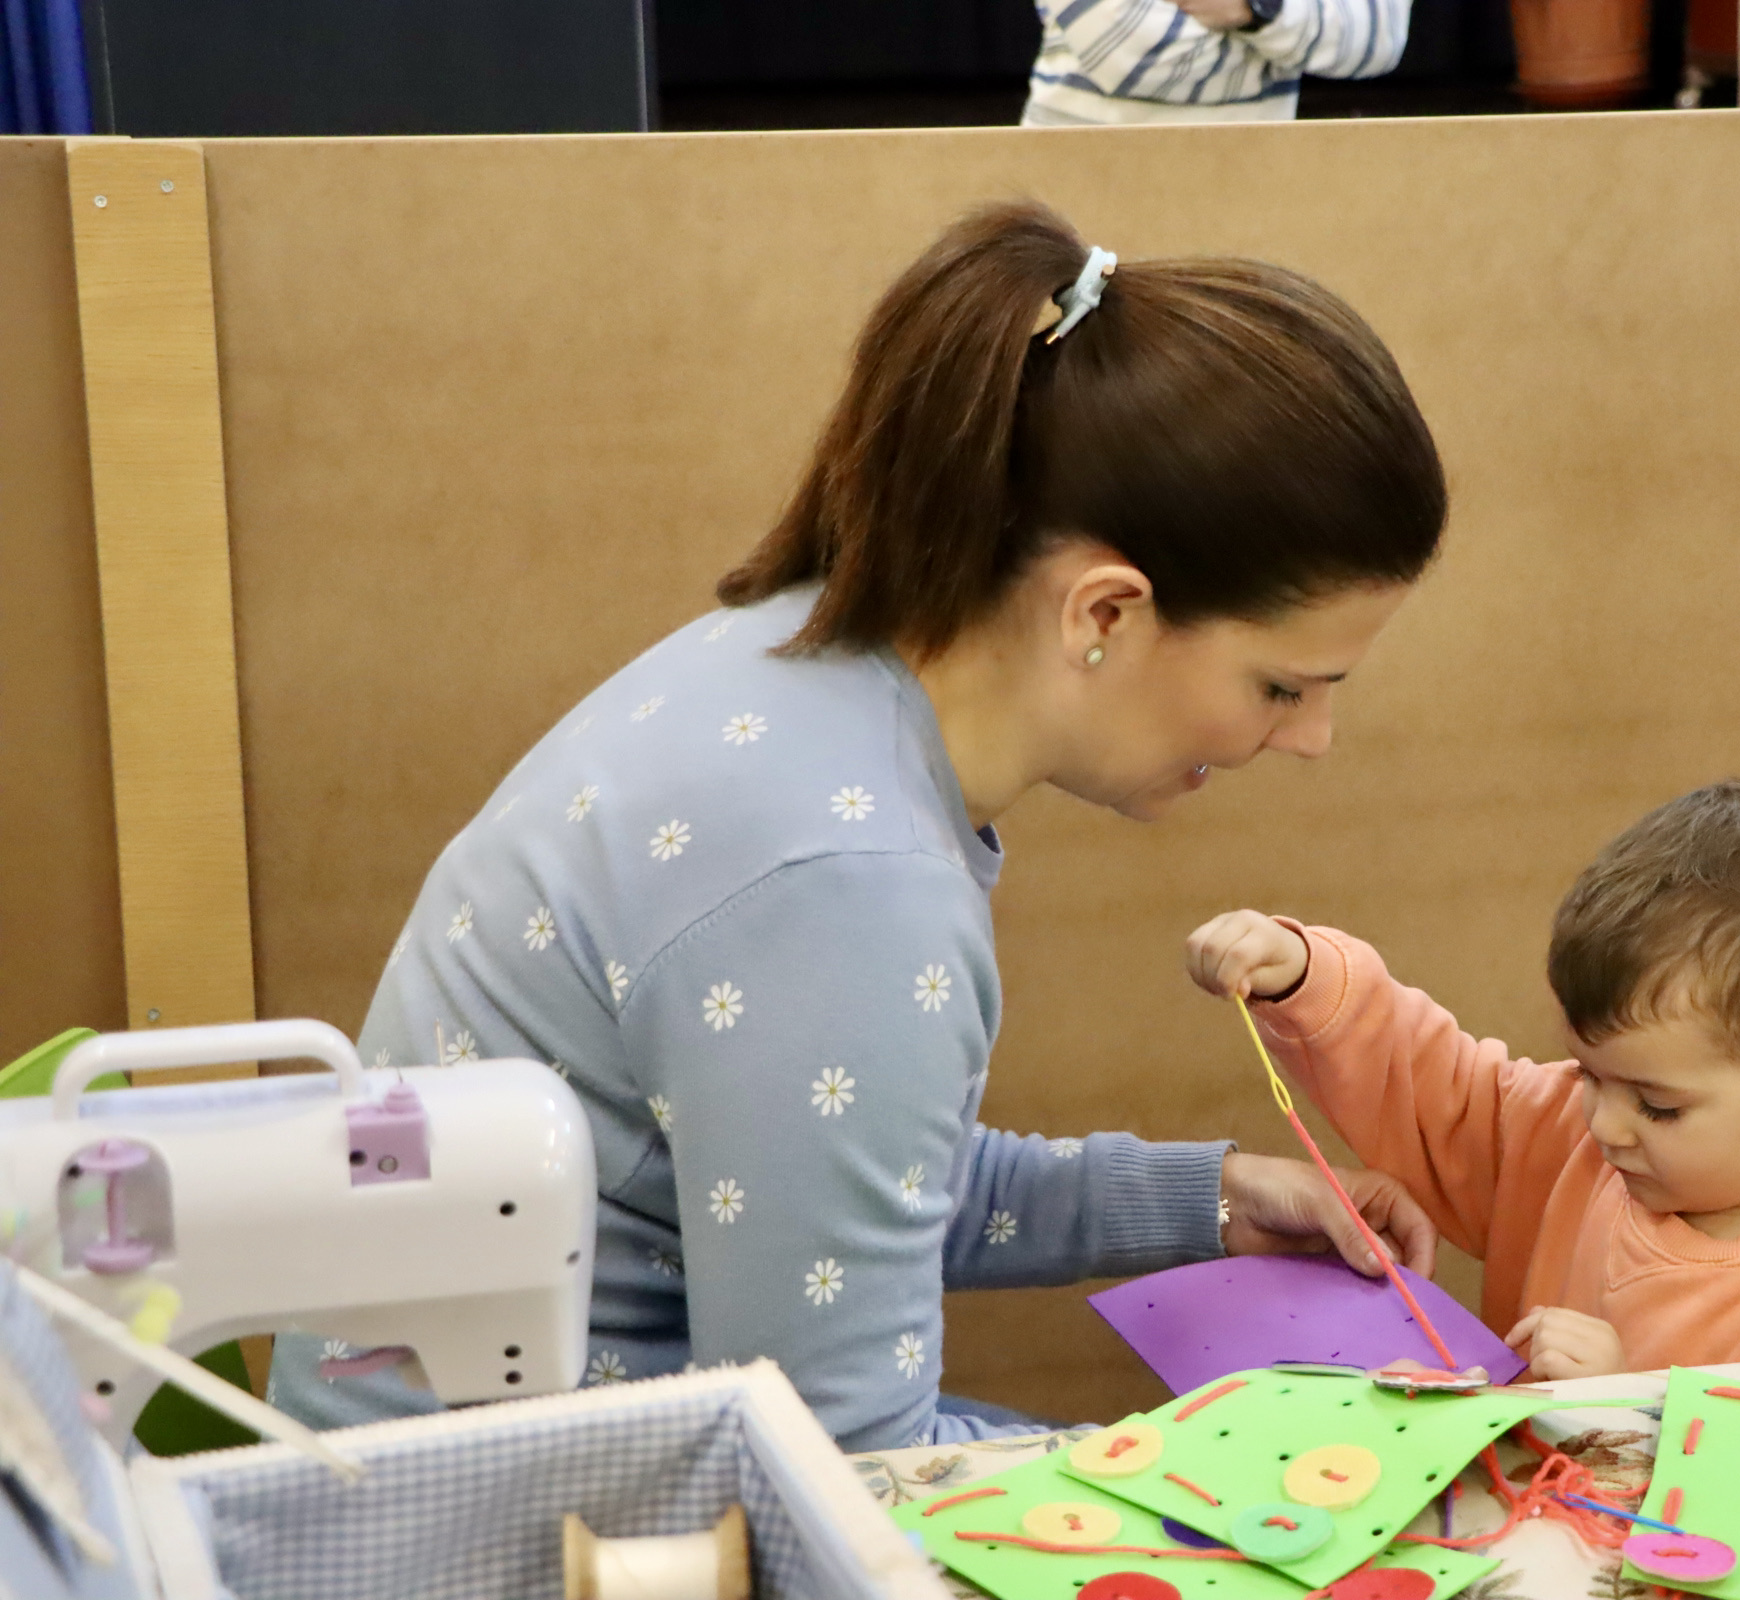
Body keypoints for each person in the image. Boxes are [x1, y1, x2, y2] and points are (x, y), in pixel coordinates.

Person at [269, 200, 1449, 1451]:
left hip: (464, 1468)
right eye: (1283, 684)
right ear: (1104, 611)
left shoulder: (793, 663)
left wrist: (1198, 1201)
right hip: (495, 1530)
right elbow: (847, 1470)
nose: (1311, 738)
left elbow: (820, 1192)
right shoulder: (851, 886)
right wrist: (1219, 1486)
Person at [1183, 779, 1740, 1379]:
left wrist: (1629, 1411)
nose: (1605, 1125)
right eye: (1591, 1076)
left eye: (1657, 1105)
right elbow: (1440, 1097)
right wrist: (1308, 983)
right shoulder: (1577, 1139)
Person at [1021, 0, 1411, 126]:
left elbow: (1379, 37)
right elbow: (1133, 55)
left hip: (1256, 194)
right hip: (1077, 207)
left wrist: (1254, 8)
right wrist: (1282, 38)